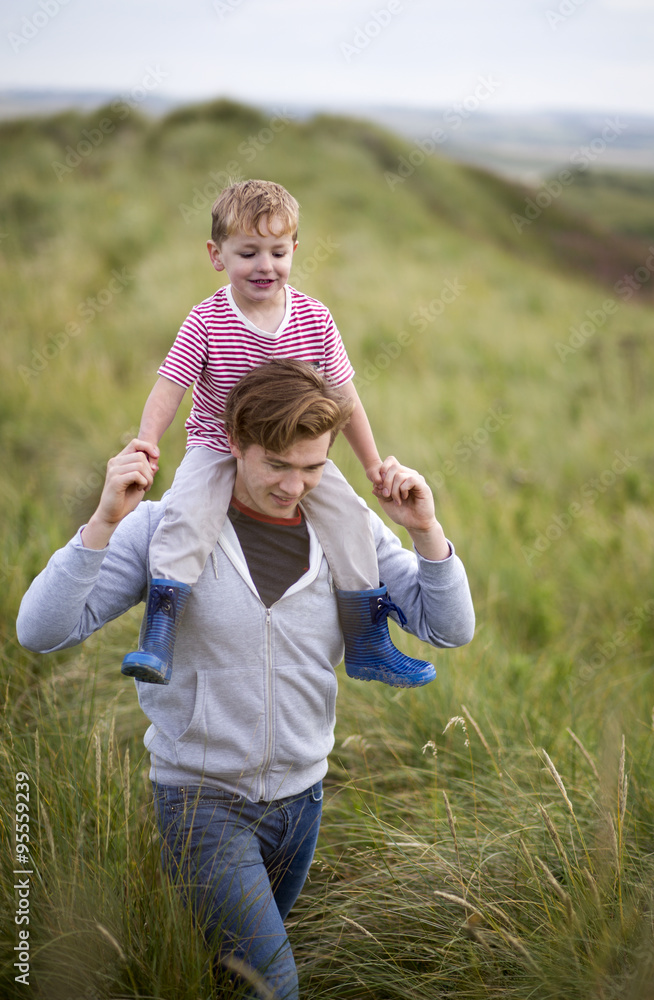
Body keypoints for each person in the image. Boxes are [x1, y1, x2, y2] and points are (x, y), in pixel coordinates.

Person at [17, 358, 475, 1000]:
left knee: (229, 980)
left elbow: (449, 628)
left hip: (303, 801)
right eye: (278, 466)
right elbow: (40, 630)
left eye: (313, 467)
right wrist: (102, 525)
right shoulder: (164, 527)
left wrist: (426, 531)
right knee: (273, 985)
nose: (295, 486)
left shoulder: (348, 531)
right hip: (203, 803)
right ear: (235, 445)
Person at [120, 178, 434, 688]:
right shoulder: (207, 320)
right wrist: (147, 442)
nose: (264, 266)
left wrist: (374, 463)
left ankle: (368, 641)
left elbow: (346, 399)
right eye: (247, 252)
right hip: (217, 445)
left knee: (352, 518)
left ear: (294, 251)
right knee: (187, 514)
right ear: (216, 254)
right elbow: (170, 385)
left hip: (296, 455)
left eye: (277, 251)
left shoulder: (314, 317)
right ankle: (159, 632)